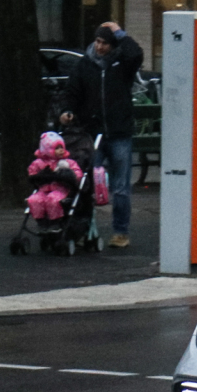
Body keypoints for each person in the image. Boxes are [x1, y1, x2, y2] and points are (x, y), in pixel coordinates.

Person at [61, 22, 143, 248]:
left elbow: (136, 54)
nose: (99, 47)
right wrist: (67, 111)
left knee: (120, 187)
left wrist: (120, 32)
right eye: (97, 41)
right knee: (85, 183)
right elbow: (72, 92)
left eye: (105, 43)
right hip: (92, 132)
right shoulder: (84, 66)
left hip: (119, 131)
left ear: (113, 45)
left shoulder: (123, 64)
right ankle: (85, 228)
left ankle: (121, 232)